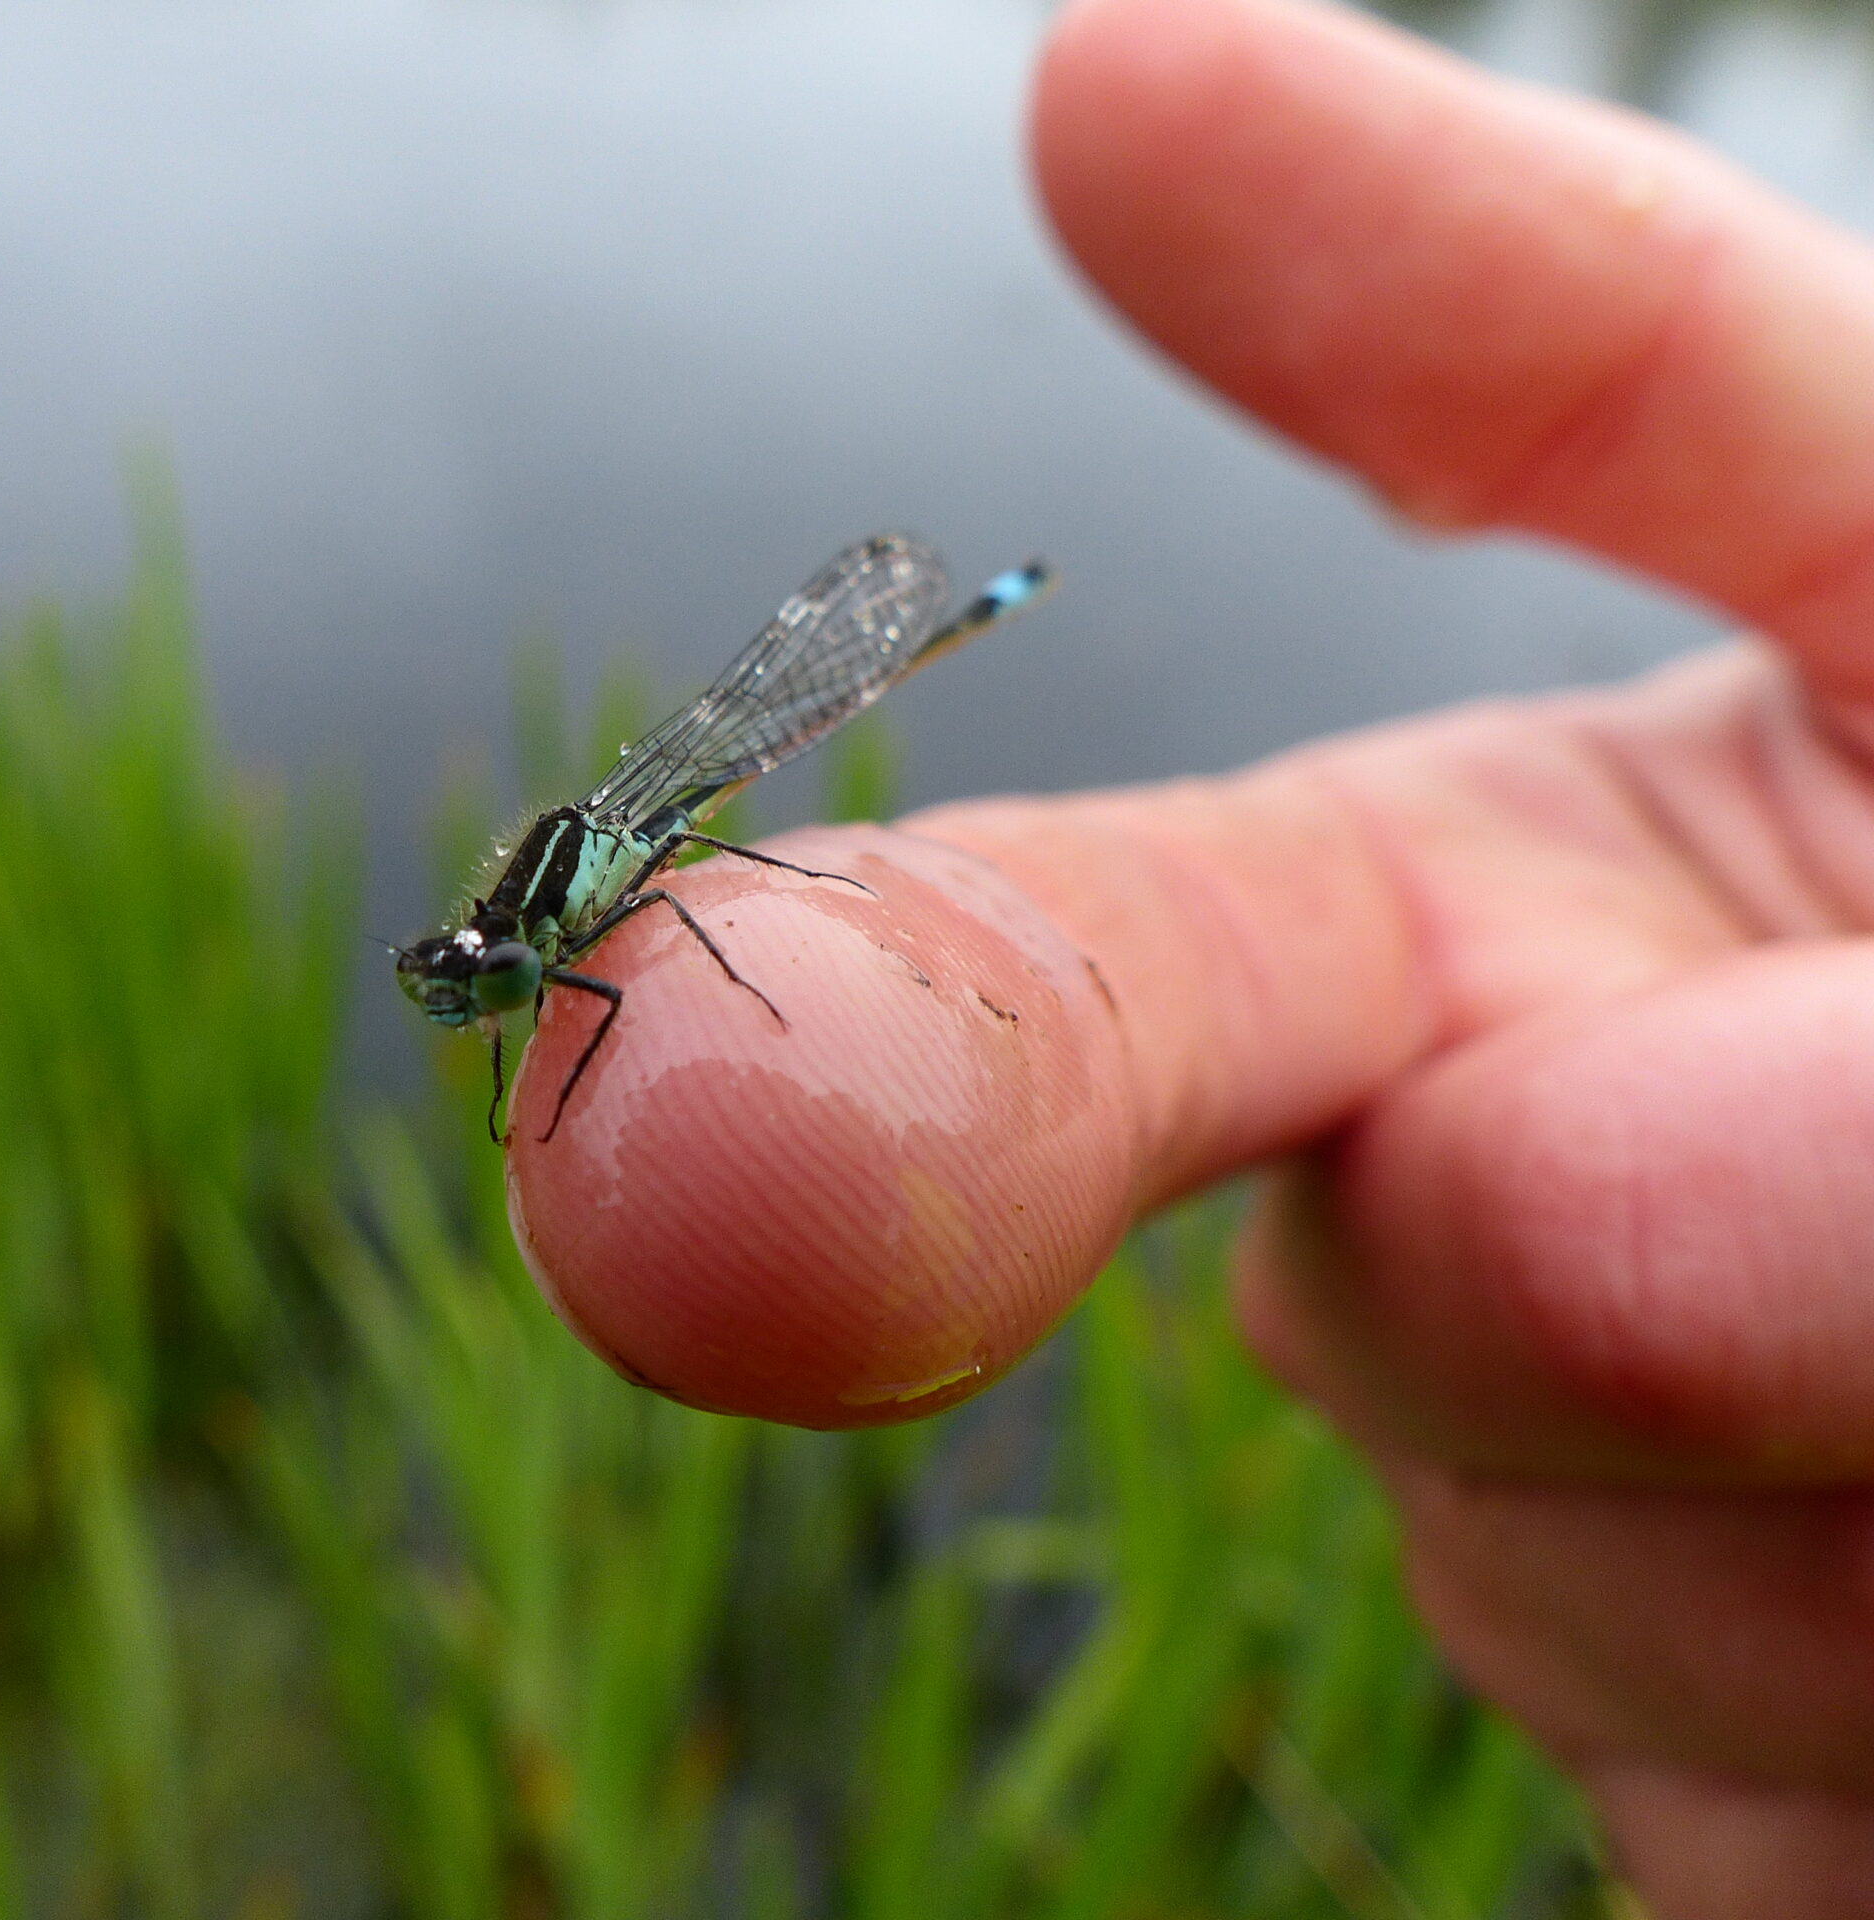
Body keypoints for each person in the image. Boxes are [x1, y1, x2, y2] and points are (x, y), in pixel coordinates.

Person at [502, 0, 1874, 1906]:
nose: (499, 963)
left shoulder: (596, 880)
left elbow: (673, 918)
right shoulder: (535, 924)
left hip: (766, 812)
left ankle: (986, 613)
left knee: (756, 927)